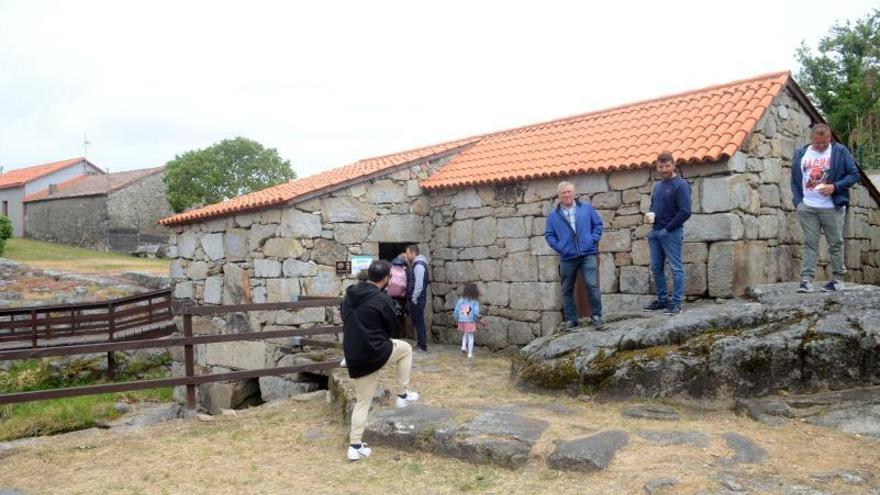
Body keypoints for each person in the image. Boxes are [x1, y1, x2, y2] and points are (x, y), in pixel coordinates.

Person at [341, 260, 420, 461]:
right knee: (406, 348)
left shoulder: (348, 295)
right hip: (376, 351)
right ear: (386, 278)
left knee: (362, 402)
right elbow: (393, 329)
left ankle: (355, 446)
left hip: (354, 355)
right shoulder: (381, 299)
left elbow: (346, 319)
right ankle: (402, 395)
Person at [790, 123, 860, 293]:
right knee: (809, 244)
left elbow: (854, 175)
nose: (821, 146)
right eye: (817, 143)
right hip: (807, 207)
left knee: (835, 243)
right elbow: (794, 178)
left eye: (825, 143)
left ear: (830, 138)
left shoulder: (840, 151)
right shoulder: (801, 153)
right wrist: (799, 202)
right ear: (811, 138)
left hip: (832, 207)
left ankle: (838, 280)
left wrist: (835, 187)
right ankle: (806, 281)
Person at [544, 180, 605, 328]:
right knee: (567, 289)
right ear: (558, 196)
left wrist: (592, 239)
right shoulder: (553, 216)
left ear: (574, 192)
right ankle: (572, 319)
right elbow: (549, 235)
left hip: (587, 253)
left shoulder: (586, 208)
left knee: (592, 285)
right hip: (567, 257)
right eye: (563, 193)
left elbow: (598, 225)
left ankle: (596, 315)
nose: (567, 195)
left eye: (569, 192)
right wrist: (560, 247)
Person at [643, 151, 692, 315]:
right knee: (656, 268)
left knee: (676, 268)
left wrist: (667, 229)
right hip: (655, 232)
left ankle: (677, 303)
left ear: (673, 165)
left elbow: (685, 211)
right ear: (657, 167)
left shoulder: (681, 185)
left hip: (671, 233)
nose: (664, 169)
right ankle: (663, 300)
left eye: (667, 165)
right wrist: (649, 216)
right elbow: (653, 207)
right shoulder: (658, 186)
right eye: (661, 166)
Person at [406, 244, 430, 351]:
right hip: (419, 298)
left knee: (419, 321)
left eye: (408, 253)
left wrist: (414, 298)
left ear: (413, 252)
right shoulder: (418, 264)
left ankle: (422, 345)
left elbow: (419, 285)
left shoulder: (419, 265)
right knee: (418, 321)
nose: (407, 256)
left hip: (418, 298)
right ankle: (421, 344)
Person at [454, 282, 486, 359]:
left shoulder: (461, 300)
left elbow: (456, 310)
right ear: (475, 292)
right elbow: (475, 313)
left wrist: (457, 319)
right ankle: (470, 354)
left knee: (465, 333)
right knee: (471, 336)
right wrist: (477, 320)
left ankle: (463, 346)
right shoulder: (475, 302)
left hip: (462, 320)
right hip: (470, 321)